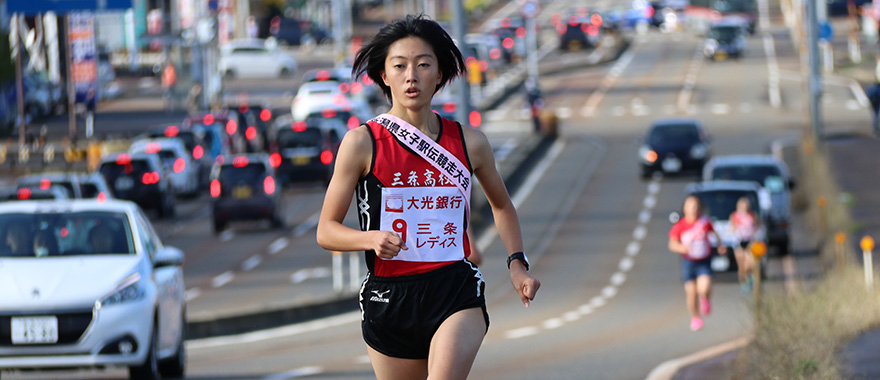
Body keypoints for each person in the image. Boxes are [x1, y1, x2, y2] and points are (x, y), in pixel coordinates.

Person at [316, 14, 540, 380]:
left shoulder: (470, 142)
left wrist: (517, 264)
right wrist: (370, 238)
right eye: (400, 66)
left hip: (453, 290)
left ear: (440, 74)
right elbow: (326, 231)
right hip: (389, 297)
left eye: (423, 65)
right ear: (384, 76)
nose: (412, 76)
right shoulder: (361, 143)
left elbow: (502, 204)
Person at [668, 195, 727, 331]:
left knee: (704, 287)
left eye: (696, 206)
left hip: (704, 260)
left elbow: (715, 234)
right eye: (690, 206)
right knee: (691, 292)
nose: (693, 209)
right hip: (688, 262)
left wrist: (720, 245)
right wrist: (681, 248)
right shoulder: (680, 225)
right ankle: (695, 317)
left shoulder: (705, 222)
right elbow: (672, 244)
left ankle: (704, 298)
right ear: (685, 208)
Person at [730, 197, 759, 293]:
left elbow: (757, 226)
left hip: (749, 241)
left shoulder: (752, 215)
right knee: (741, 265)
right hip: (739, 242)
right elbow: (732, 229)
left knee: (749, 264)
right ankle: (743, 282)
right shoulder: (734, 216)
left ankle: (749, 277)